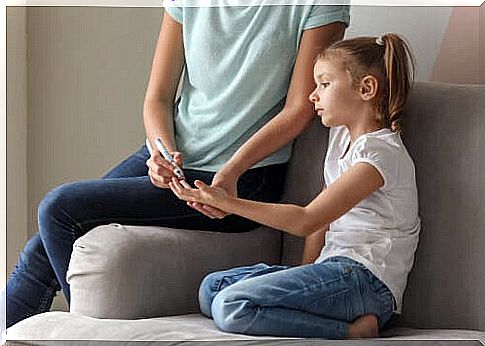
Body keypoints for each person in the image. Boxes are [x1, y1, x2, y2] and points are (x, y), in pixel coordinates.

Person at [1, 4, 350, 331]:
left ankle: (87, 335)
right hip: (173, 155)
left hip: (246, 176)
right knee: (42, 245)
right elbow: (158, 97)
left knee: (60, 208)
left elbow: (299, 110)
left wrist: (231, 171)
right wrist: (161, 152)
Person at [169, 33, 421, 339]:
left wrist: (225, 201)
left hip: (366, 283)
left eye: (325, 84)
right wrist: (305, 271)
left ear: (366, 88)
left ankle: (352, 331)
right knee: (211, 289)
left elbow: (307, 220)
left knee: (231, 305)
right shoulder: (343, 138)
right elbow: (324, 221)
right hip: (336, 272)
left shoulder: (380, 155)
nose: (313, 95)